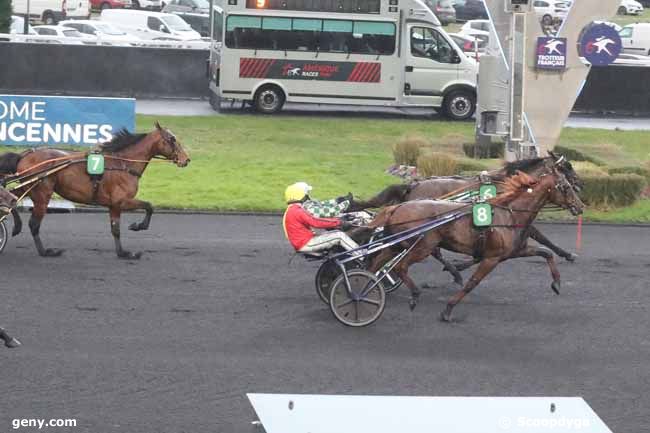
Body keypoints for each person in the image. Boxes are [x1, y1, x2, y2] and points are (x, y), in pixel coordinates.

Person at [283, 182, 359, 255]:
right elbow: (316, 222)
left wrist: (338, 220)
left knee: (334, 232)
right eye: (306, 195)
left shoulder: (293, 209)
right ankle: (361, 255)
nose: (308, 197)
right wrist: (339, 222)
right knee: (339, 236)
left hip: (305, 241)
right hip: (305, 243)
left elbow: (319, 213)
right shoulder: (297, 211)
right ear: (301, 196)